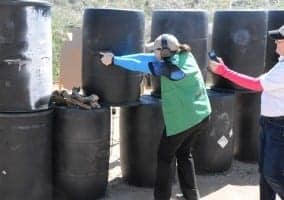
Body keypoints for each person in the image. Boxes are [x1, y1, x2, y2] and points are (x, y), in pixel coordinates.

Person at [100, 33, 211, 200]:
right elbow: (146, 58)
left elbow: (141, 66)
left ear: (165, 52)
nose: (154, 53)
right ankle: (191, 196)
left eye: (157, 50)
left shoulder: (171, 69)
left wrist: (115, 61)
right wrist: (116, 56)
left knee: (165, 158)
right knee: (184, 153)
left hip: (184, 120)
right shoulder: (185, 54)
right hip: (202, 115)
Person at [208, 25, 284, 200]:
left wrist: (224, 71)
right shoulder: (281, 64)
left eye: (280, 41)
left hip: (279, 126)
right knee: (265, 173)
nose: (276, 45)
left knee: (272, 174)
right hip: (270, 123)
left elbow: (256, 84)